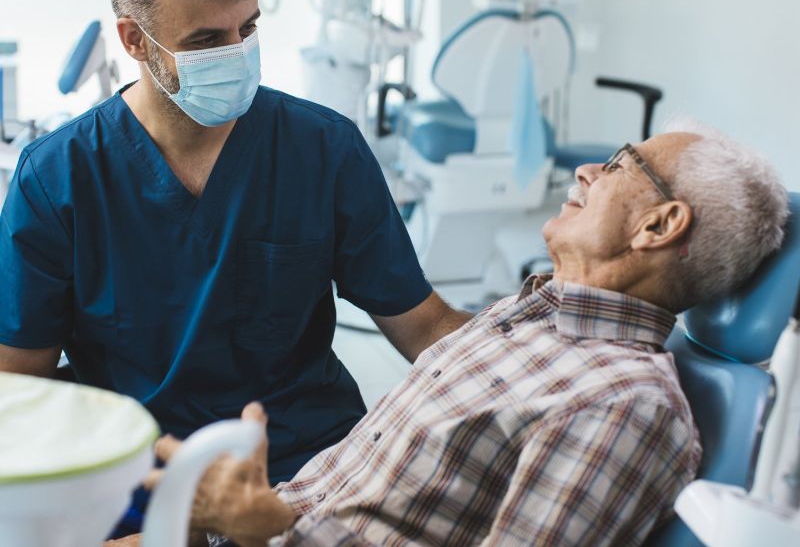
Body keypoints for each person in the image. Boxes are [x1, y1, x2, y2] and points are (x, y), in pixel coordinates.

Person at [110, 122, 788, 547]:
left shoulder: (625, 405)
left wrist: (270, 529)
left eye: (616, 164)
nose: (585, 171)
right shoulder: (525, 318)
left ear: (659, 226)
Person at [0, 0, 469, 493]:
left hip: (308, 467)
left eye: (247, 29)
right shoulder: (58, 177)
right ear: (134, 40)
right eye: (206, 40)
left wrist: (546, 365)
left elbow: (423, 326)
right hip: (138, 480)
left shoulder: (322, 149)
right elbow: (18, 386)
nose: (237, 53)